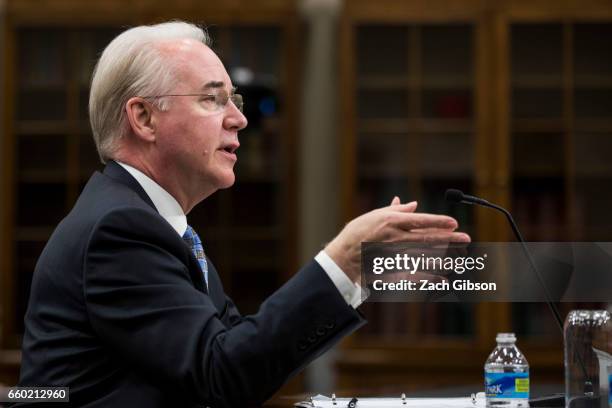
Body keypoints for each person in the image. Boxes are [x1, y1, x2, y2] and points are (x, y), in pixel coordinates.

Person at [17, 21, 470, 407]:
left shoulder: (155, 223)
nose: (239, 119)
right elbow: (224, 376)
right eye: (213, 99)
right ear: (144, 118)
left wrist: (357, 276)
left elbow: (240, 357)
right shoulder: (120, 229)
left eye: (234, 100)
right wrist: (342, 260)